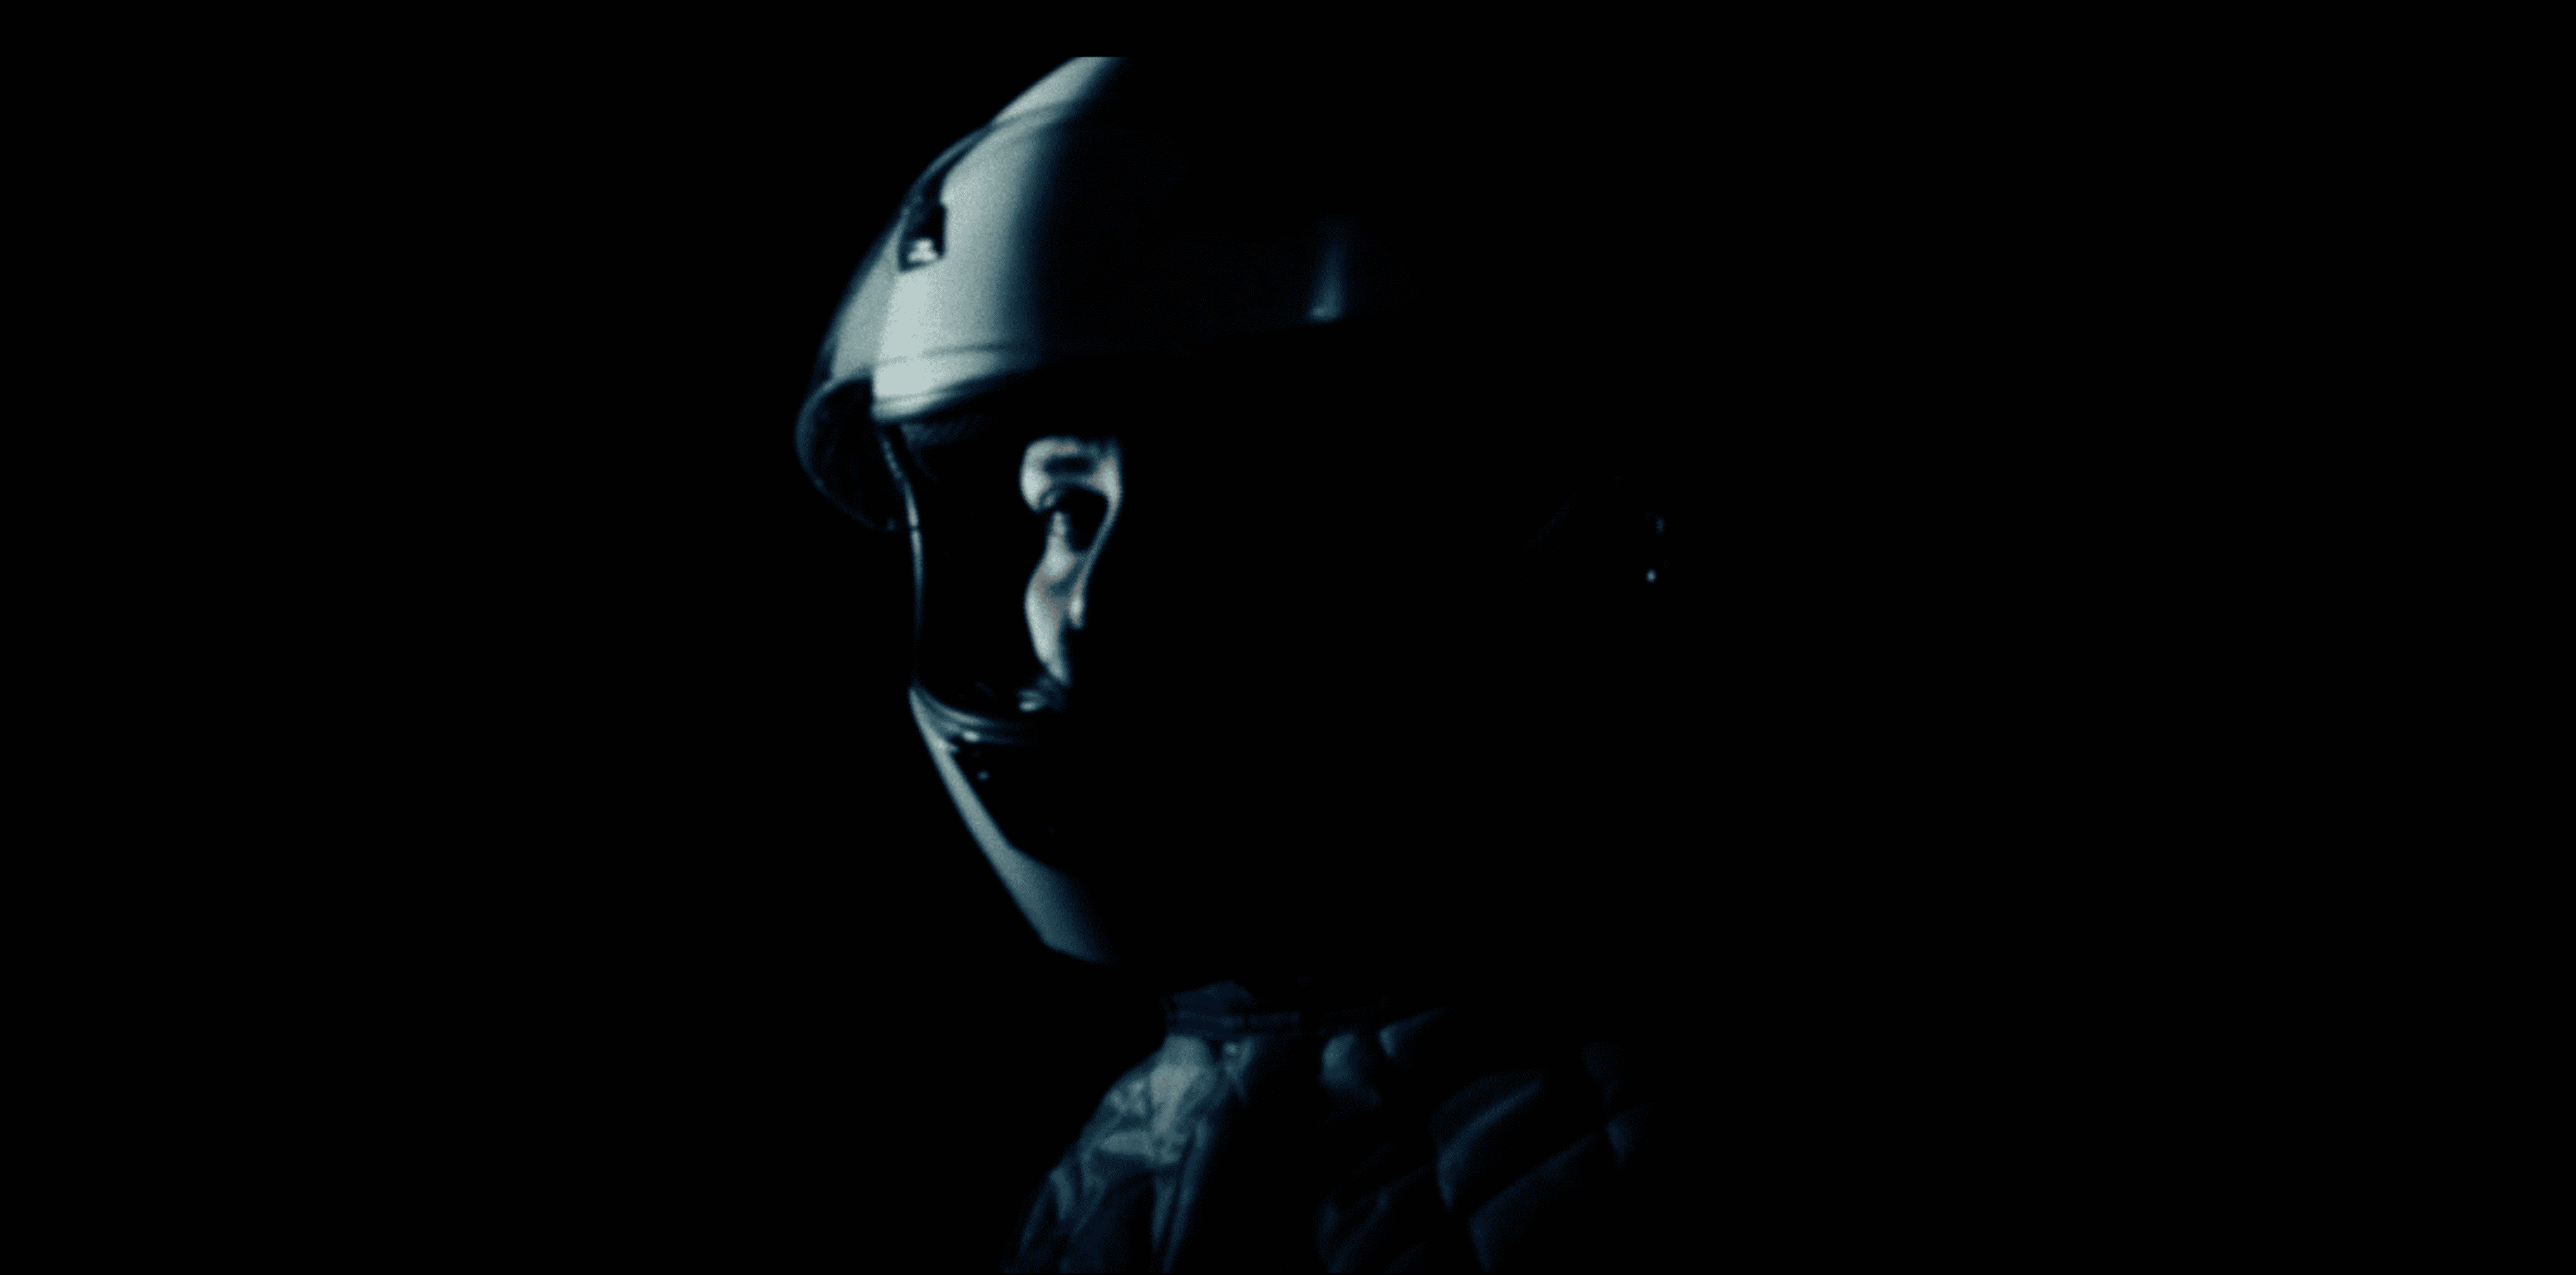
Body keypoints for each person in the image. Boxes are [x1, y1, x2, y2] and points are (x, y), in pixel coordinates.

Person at [798, 58, 1706, 1270]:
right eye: (1065, 509)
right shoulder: (1125, 1164)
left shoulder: (1637, 1155)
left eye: (1214, 502)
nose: (1097, 599)